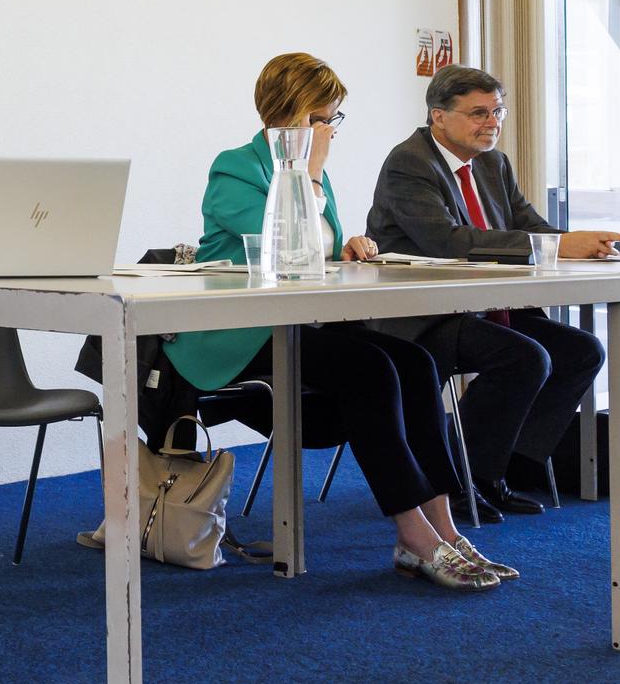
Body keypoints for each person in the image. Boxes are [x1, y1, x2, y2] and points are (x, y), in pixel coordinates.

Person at [164, 52, 509, 590]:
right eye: (318, 118)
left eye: (332, 119)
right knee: (367, 371)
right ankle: (413, 535)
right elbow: (286, 242)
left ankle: (442, 525)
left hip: (303, 321)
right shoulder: (236, 167)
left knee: (415, 363)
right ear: (283, 114)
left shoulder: (314, 176)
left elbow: (316, 254)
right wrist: (311, 171)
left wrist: (347, 246)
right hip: (239, 332)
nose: (328, 130)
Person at [367, 64, 616, 521]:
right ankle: (466, 478)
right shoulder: (409, 163)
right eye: (479, 113)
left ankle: (515, 464)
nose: (493, 123)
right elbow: (448, 241)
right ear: (438, 116)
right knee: (525, 359)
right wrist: (557, 245)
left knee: (582, 350)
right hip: (425, 314)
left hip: (485, 307)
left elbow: (530, 228)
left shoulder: (493, 163)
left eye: (498, 111)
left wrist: (589, 245)